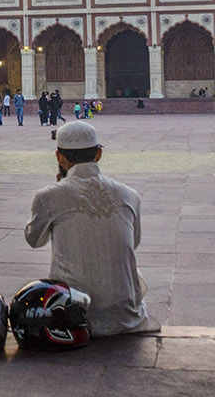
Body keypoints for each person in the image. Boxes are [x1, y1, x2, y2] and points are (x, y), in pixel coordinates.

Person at [23, 120, 159, 336]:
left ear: (59, 157)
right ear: (98, 154)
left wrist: (57, 193)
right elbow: (133, 243)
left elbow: (34, 240)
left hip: (74, 316)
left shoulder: (48, 196)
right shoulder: (129, 195)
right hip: (125, 318)